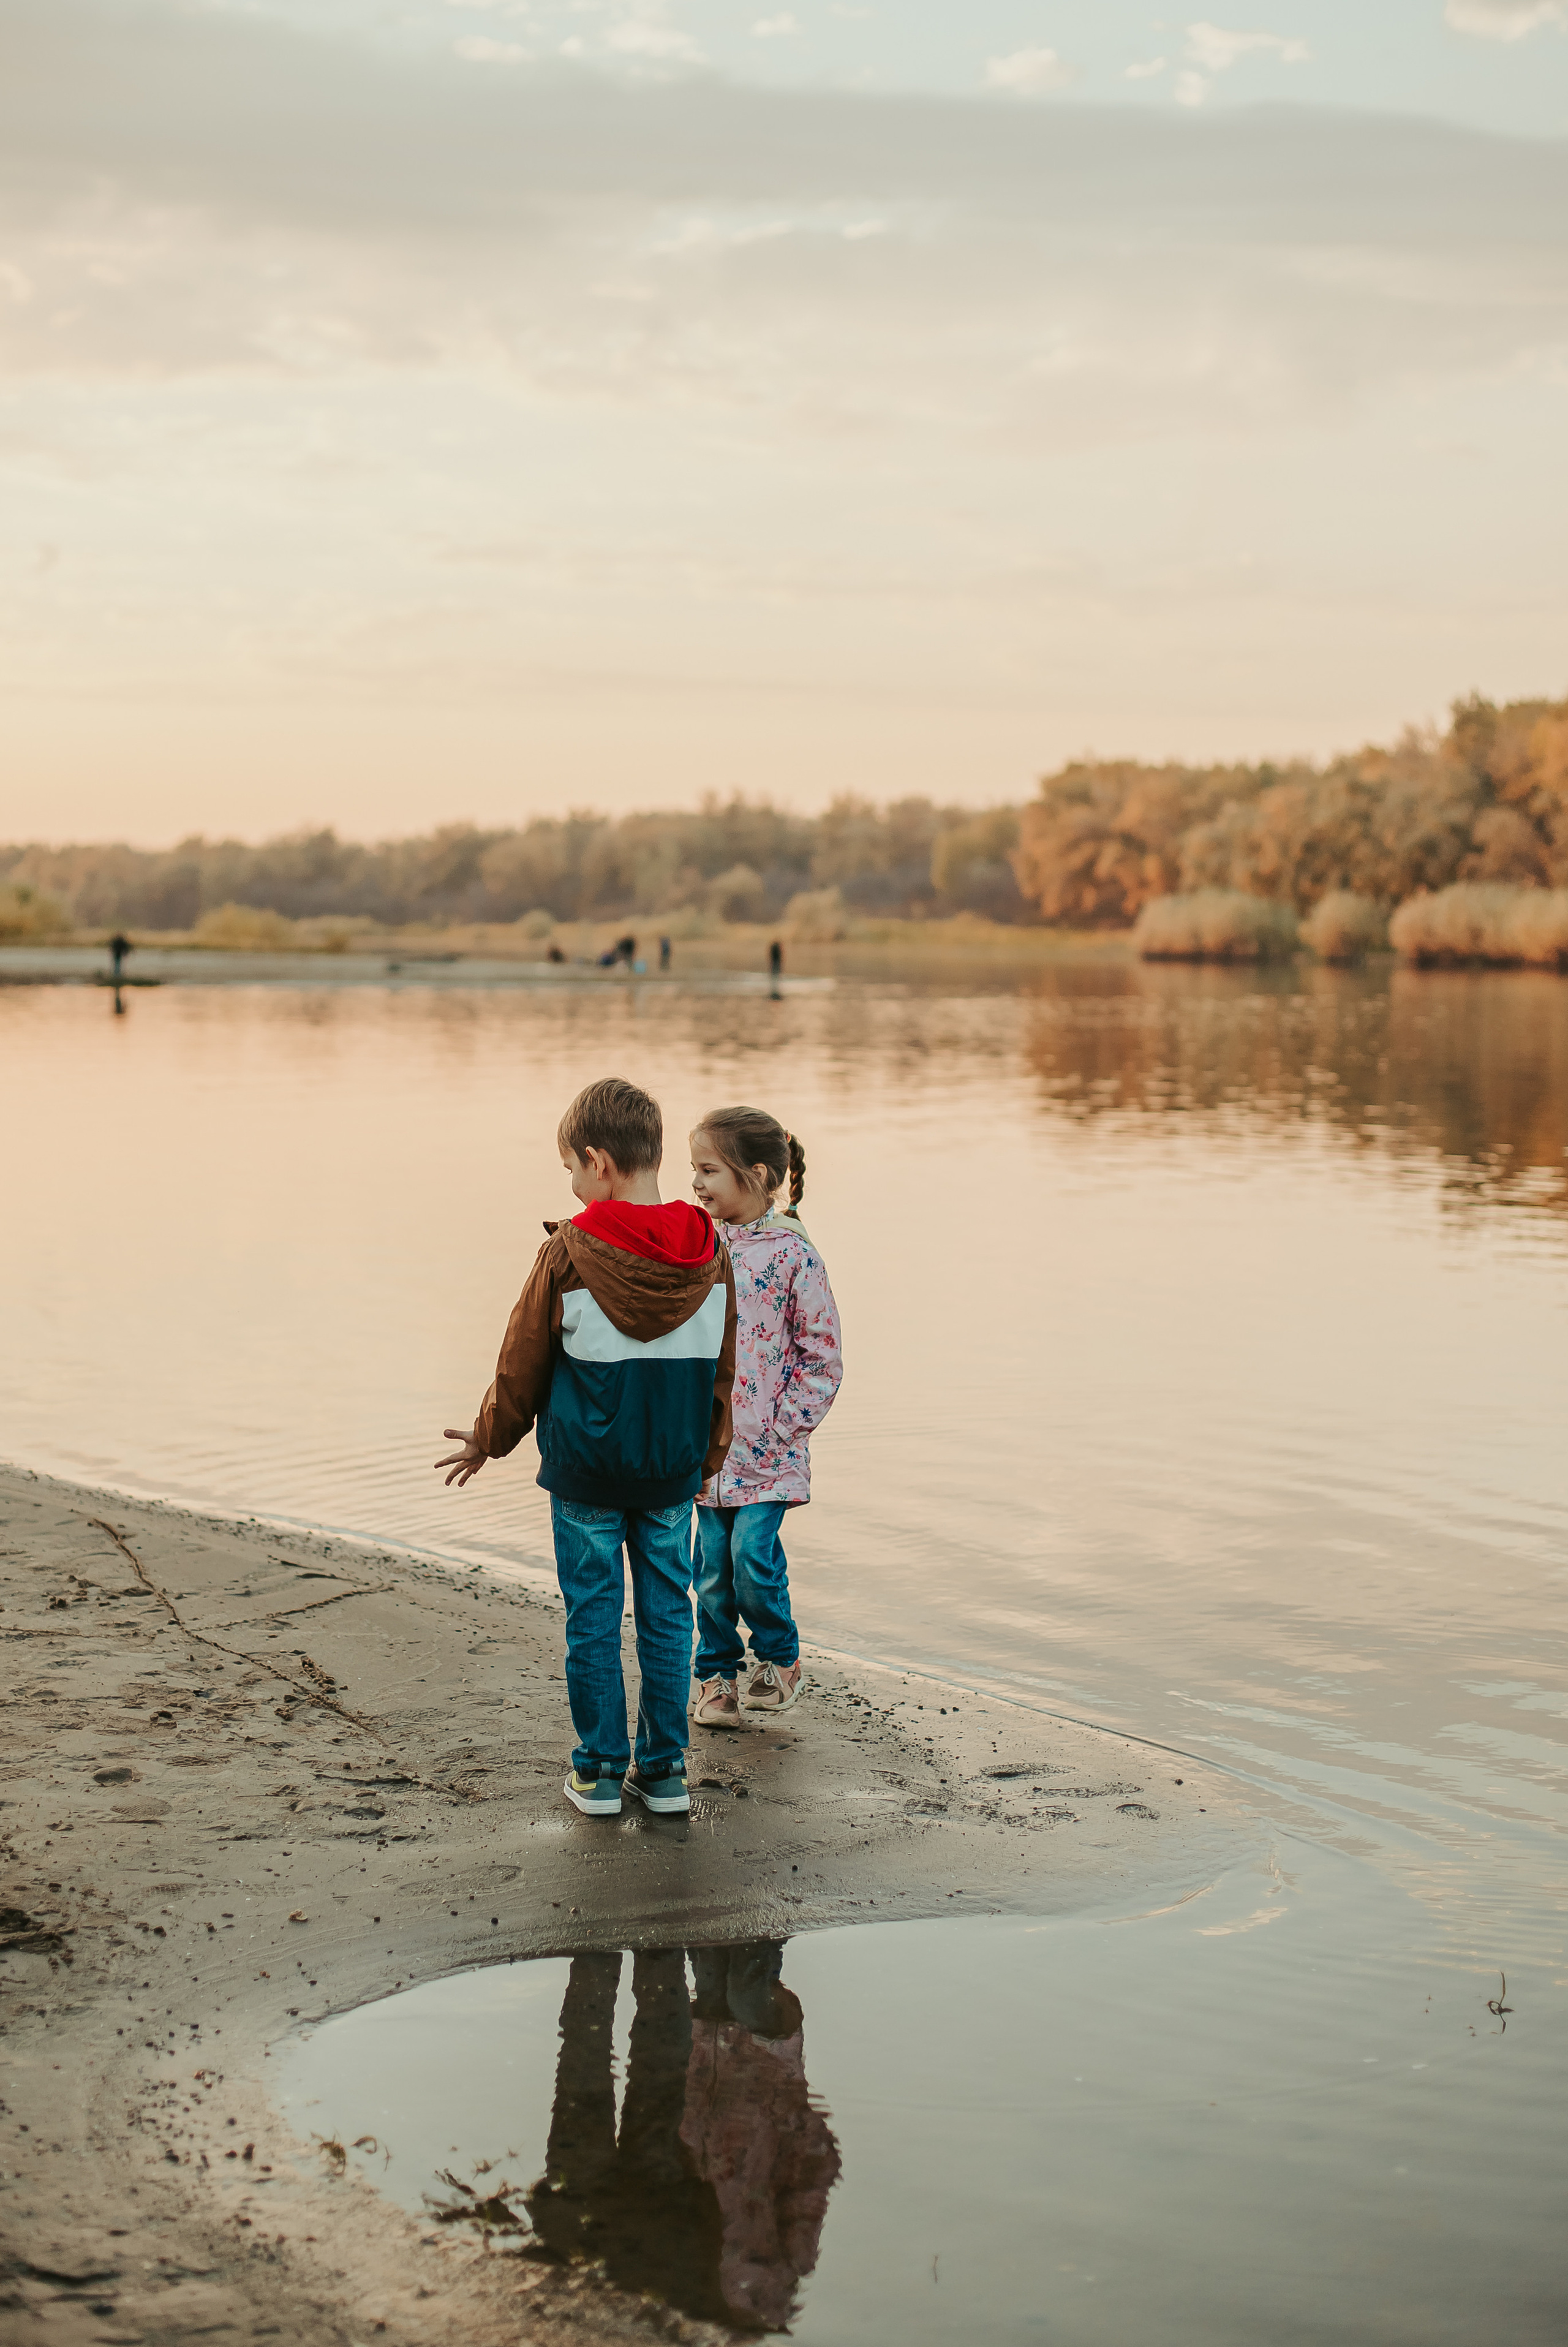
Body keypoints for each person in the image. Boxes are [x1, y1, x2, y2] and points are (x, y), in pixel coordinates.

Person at [435, 1076, 737, 1818]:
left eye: (571, 1168)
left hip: (586, 1475)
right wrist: (709, 1457)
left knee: (593, 1616)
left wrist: (490, 1436)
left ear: (599, 1163)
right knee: (669, 1614)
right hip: (669, 1471)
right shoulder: (710, 1250)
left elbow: (523, 1359)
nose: (571, 1185)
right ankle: (663, 1772)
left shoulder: (569, 1251)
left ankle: (601, 1771)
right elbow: (726, 1372)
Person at [687, 1108, 842, 1727]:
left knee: (752, 1559)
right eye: (693, 1170)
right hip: (704, 1450)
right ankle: (716, 1676)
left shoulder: (794, 1254)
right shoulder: (696, 1243)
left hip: (768, 1452)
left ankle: (779, 1660)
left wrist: (782, 1431)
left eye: (708, 1171)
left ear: (754, 1174)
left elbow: (822, 1357)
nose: (696, 1184)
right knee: (710, 1575)